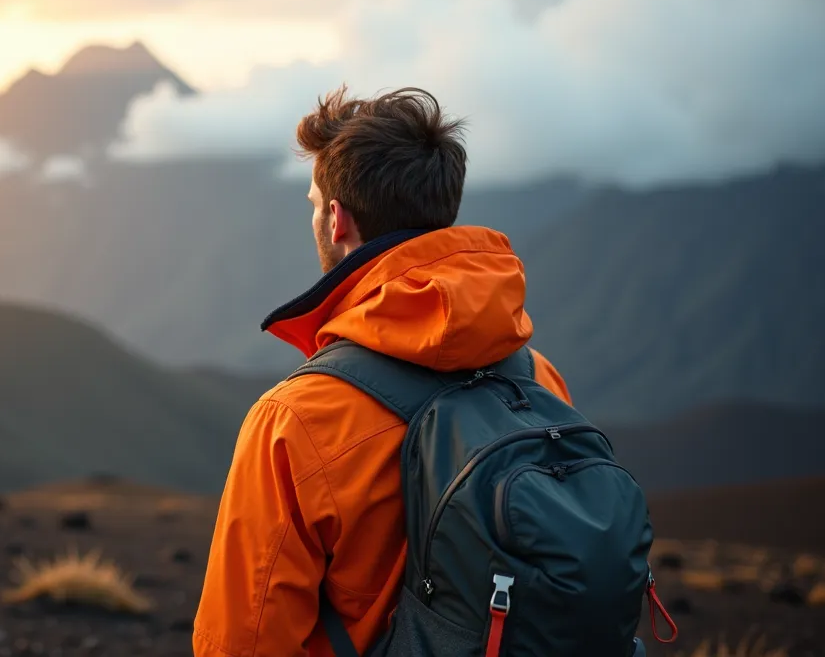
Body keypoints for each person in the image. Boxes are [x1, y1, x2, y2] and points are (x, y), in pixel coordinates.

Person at [193, 86, 575, 657]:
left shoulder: (294, 421)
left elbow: (244, 644)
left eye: (313, 202)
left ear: (337, 219)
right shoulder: (539, 377)